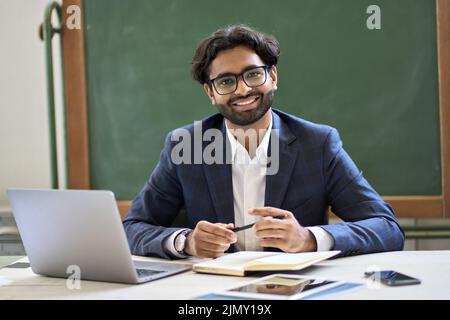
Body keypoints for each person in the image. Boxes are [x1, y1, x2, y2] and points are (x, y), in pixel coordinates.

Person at [123, 24, 404, 259]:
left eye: (253, 74)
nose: (243, 89)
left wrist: (308, 238)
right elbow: (133, 228)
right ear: (210, 92)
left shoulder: (317, 144)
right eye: (225, 82)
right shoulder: (186, 146)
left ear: (273, 76)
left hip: (297, 291)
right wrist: (186, 242)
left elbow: (387, 228)